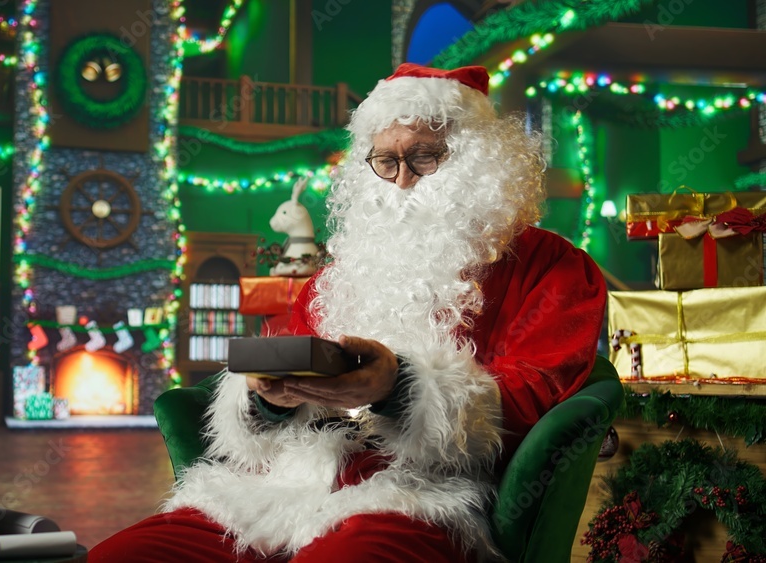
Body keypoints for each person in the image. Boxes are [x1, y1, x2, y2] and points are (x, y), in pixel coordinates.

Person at [90, 64, 607, 562]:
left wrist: (396, 387)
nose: (402, 180)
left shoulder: (554, 268)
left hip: (422, 496)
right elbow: (283, 356)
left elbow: (535, 396)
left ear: (475, 161)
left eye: (425, 157)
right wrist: (269, 396)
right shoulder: (339, 273)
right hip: (284, 487)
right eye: (385, 161)